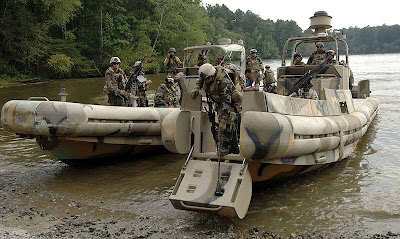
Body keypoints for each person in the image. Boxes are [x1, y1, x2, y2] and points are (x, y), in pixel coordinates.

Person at [190, 63, 242, 156]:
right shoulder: (206, 75)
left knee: (226, 123)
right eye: (205, 79)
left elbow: (226, 103)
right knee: (226, 124)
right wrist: (196, 88)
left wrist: (223, 120)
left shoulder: (224, 81)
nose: (205, 81)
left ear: (213, 76)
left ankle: (224, 148)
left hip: (232, 102)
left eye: (207, 79)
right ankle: (234, 147)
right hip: (219, 101)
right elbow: (201, 80)